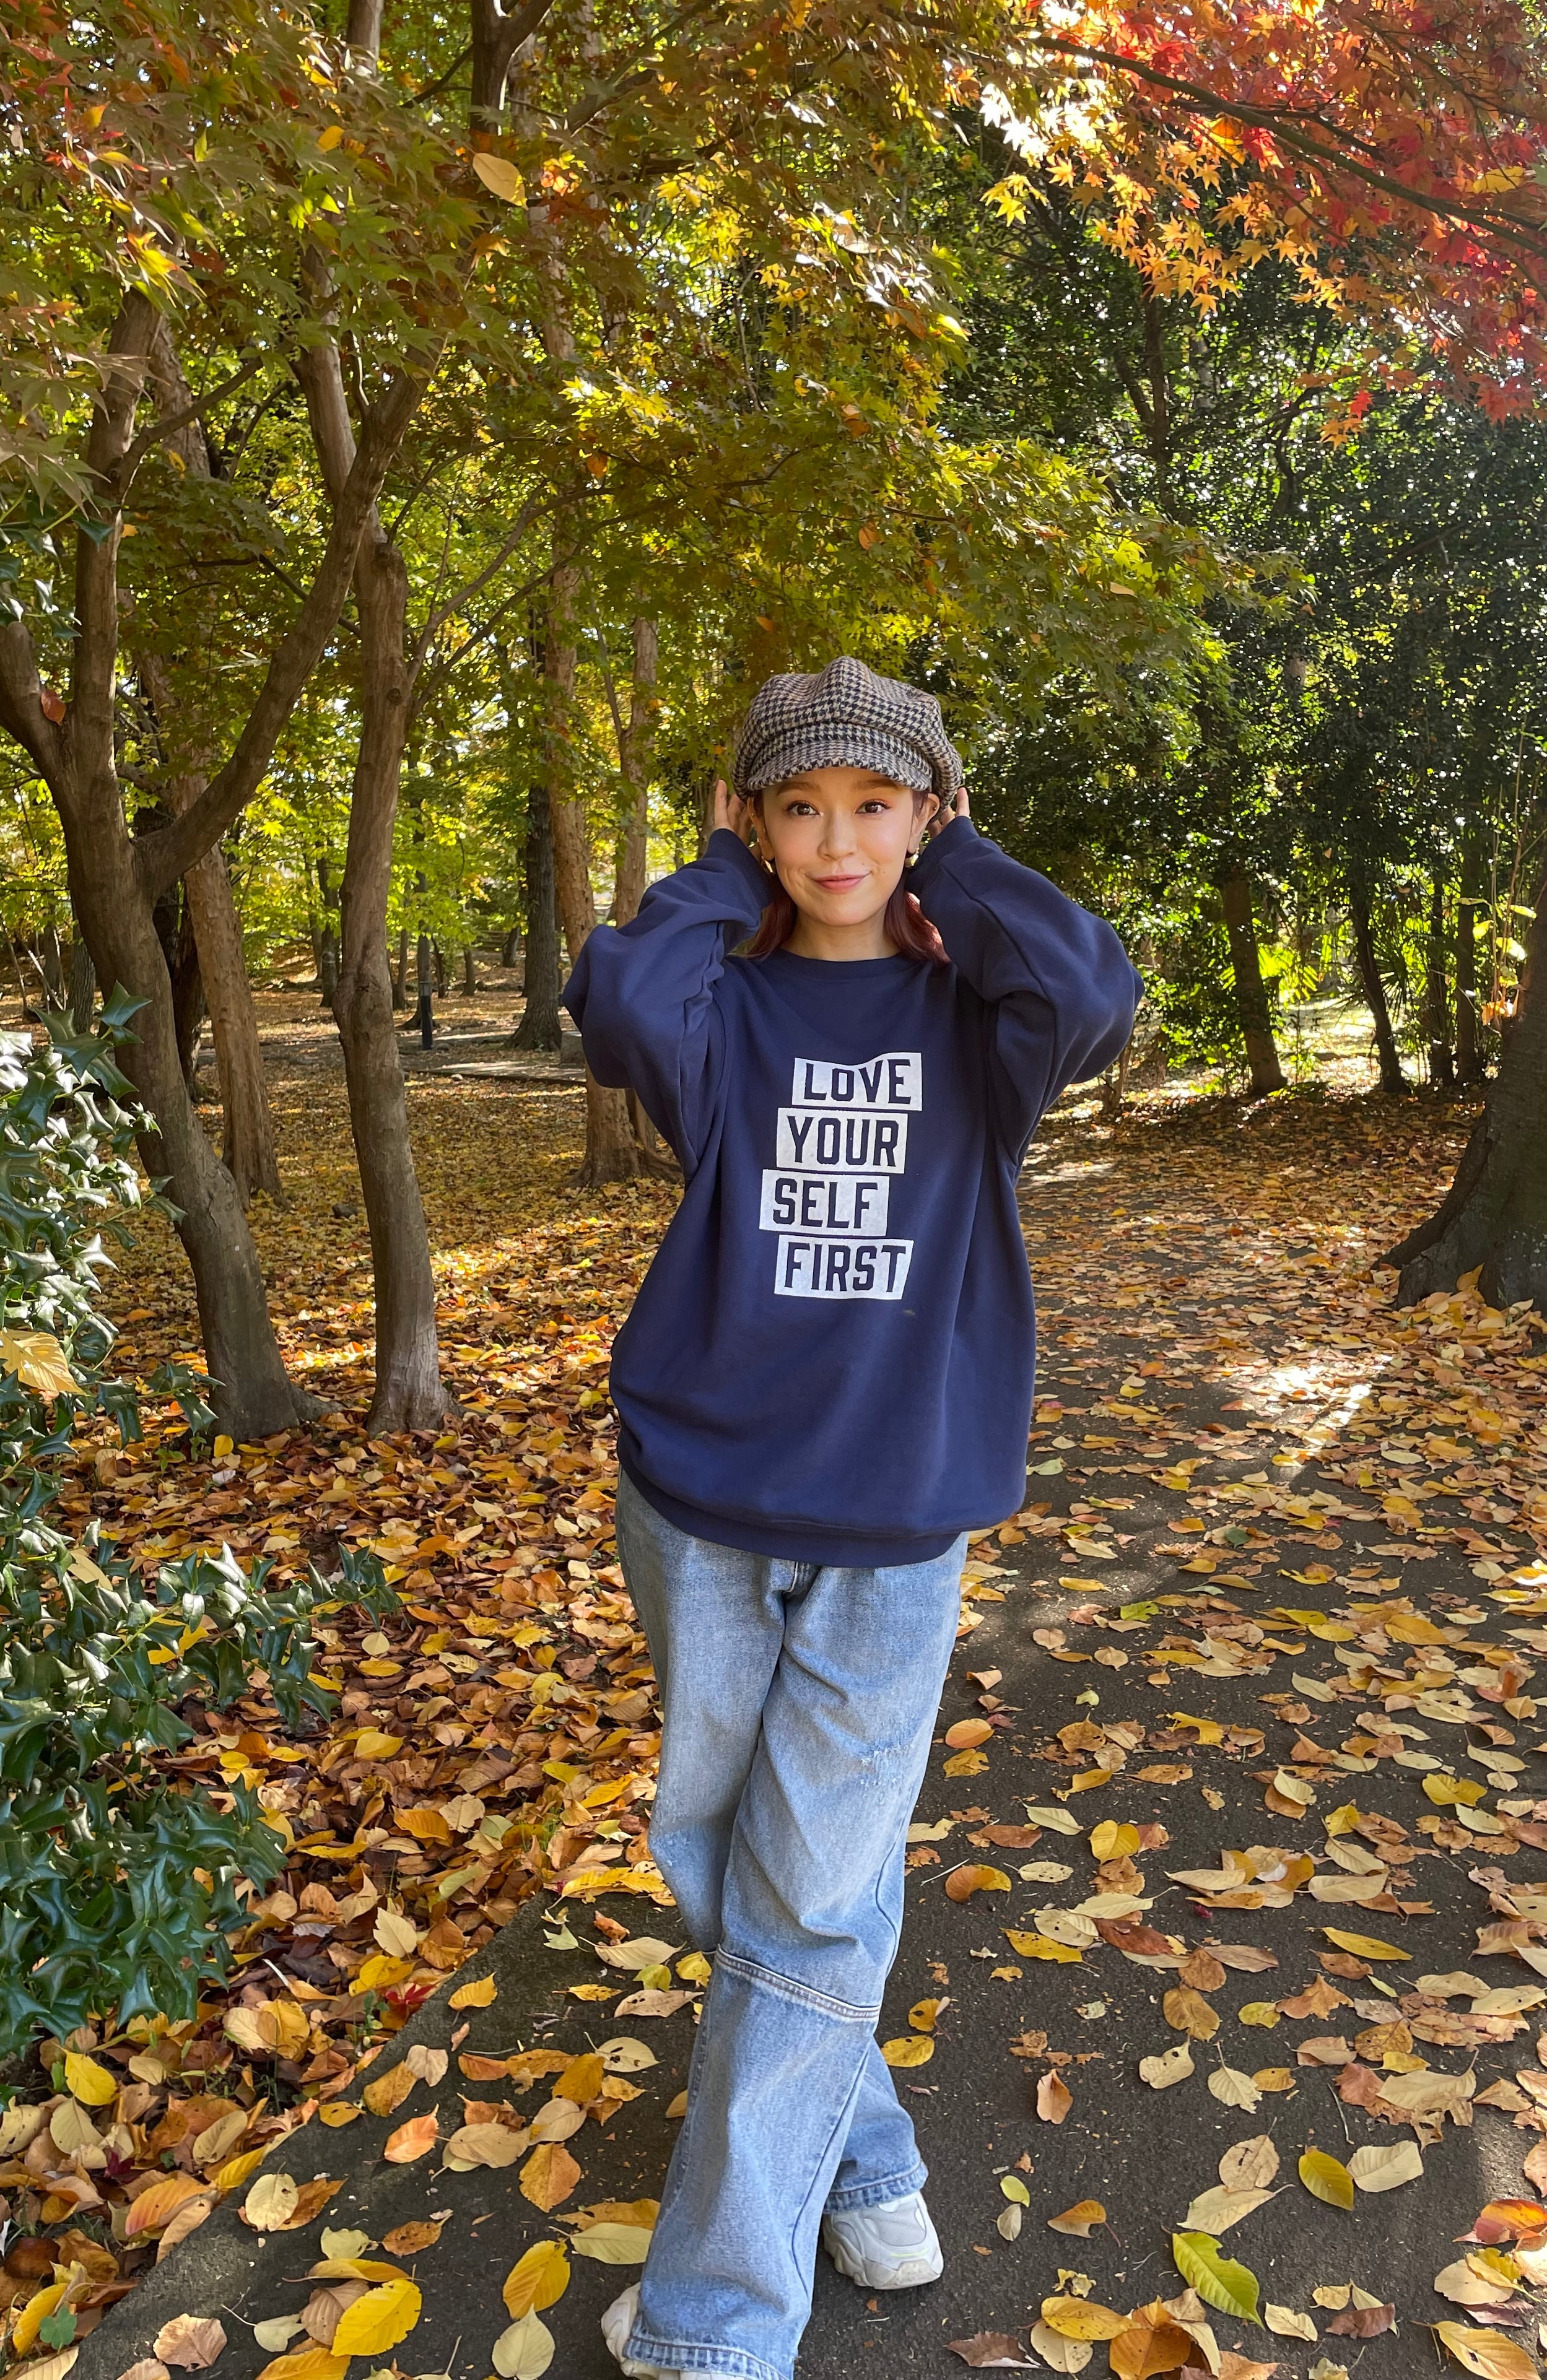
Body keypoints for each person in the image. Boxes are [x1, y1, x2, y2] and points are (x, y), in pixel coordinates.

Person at [562, 656, 1142, 2380]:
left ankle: (718, 2322)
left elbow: (1091, 987)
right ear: (752, 822)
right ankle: (868, 2154)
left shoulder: (983, 1030)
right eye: (799, 807)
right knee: (716, 1850)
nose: (836, 841)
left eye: (874, 806)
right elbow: (619, 996)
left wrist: (951, 861)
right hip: (698, 1495)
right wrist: (717, 870)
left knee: (810, 1896)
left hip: (895, 1511)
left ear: (927, 815)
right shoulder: (724, 1015)